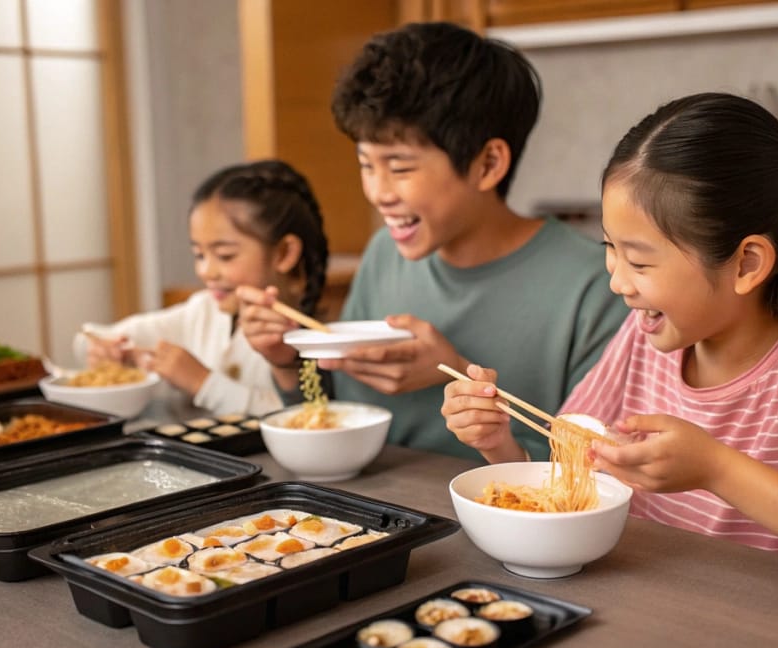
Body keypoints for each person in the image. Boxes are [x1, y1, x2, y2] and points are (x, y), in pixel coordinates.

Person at [441, 92, 778, 608]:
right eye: (610, 250)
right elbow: (569, 488)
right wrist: (500, 446)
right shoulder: (645, 341)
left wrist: (719, 469)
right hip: (646, 617)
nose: (617, 282)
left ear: (746, 264)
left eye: (641, 263)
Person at [238, 21, 628, 460]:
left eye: (400, 167)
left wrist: (459, 376)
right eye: (367, 165)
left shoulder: (596, 286)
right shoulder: (385, 252)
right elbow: (333, 416)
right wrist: (286, 362)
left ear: (488, 164)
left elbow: (592, 474)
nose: (379, 193)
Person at [75, 159, 329, 417]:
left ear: (284, 253)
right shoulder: (203, 311)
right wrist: (104, 350)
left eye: (225, 255)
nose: (206, 271)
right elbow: (91, 336)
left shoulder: (314, 335)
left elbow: (303, 416)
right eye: (199, 255)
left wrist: (202, 383)